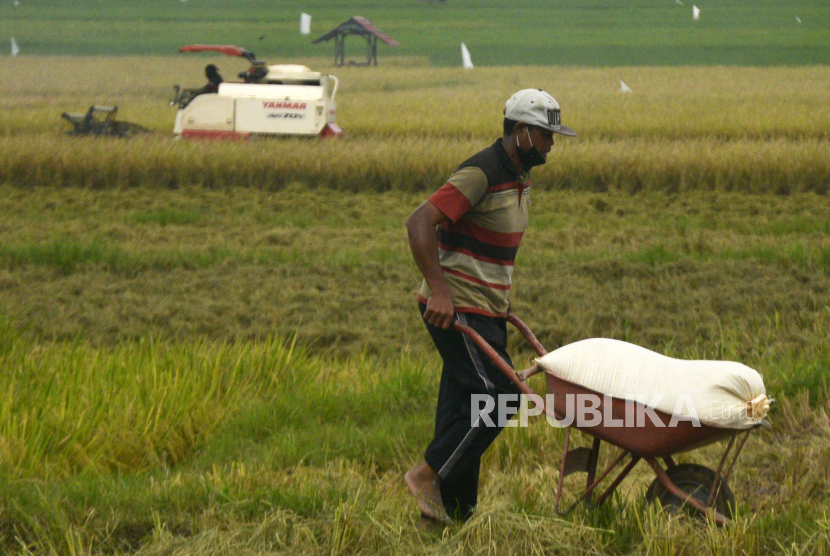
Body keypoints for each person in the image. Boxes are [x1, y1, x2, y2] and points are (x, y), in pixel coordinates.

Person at [404, 89, 577, 524]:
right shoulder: (482, 172)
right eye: (545, 135)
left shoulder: (518, 177)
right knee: (500, 397)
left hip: (488, 310)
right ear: (520, 132)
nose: (551, 144)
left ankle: (449, 517)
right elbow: (419, 221)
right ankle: (427, 474)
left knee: (462, 410)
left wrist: (501, 298)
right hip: (455, 310)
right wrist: (440, 292)